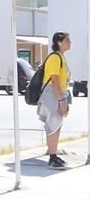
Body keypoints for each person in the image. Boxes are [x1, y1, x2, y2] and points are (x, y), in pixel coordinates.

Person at [38, 32, 72, 170]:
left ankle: (54, 154)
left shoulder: (61, 57)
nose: (70, 42)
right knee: (53, 126)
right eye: (67, 40)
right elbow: (54, 79)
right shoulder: (55, 58)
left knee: (57, 125)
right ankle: (52, 158)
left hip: (58, 94)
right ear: (59, 42)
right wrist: (61, 100)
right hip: (52, 95)